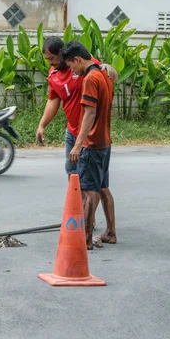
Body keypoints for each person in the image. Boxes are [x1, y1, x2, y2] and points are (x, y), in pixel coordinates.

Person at [36, 36, 117, 231]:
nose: (50, 63)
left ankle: (86, 225)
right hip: (72, 132)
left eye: (51, 58)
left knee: (91, 184)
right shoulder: (53, 73)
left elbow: (109, 75)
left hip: (88, 136)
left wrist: (108, 67)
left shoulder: (83, 66)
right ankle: (83, 218)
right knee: (74, 178)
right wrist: (42, 124)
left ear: (64, 56)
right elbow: (53, 100)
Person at [62, 41, 116, 250]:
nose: (72, 71)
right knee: (102, 187)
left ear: (77, 59)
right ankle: (111, 232)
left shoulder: (90, 79)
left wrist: (77, 145)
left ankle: (85, 239)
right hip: (105, 141)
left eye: (71, 66)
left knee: (88, 190)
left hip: (92, 143)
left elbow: (89, 113)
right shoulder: (105, 74)